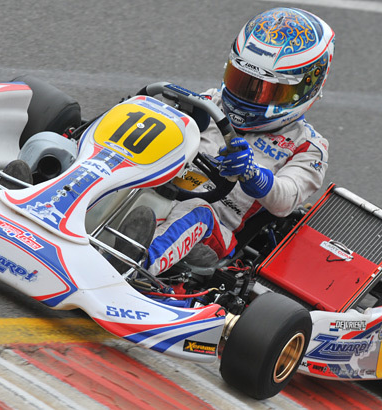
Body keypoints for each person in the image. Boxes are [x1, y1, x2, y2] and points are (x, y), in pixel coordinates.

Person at [138, 8, 335, 275]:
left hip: (215, 228)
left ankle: (136, 265)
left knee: (197, 210)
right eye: (243, 82)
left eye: (268, 90)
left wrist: (252, 173)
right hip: (161, 192)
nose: (248, 97)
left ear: (304, 90)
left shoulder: (307, 146)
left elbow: (285, 200)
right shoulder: (211, 101)